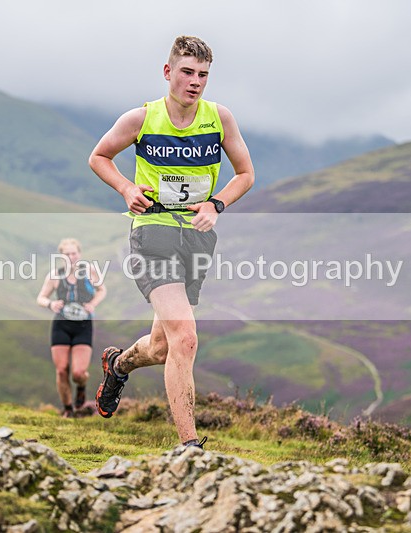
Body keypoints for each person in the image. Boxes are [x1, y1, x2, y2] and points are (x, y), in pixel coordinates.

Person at [89, 36, 254, 448]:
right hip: (152, 233)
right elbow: (99, 156)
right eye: (187, 72)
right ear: (168, 73)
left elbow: (245, 174)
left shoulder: (219, 119)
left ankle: (119, 364)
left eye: (203, 75)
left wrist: (216, 203)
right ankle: (189, 447)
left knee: (163, 347)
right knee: (186, 337)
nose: (195, 82)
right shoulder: (141, 119)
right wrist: (127, 189)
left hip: (196, 238)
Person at [37, 238, 107, 418]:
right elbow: (41, 297)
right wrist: (50, 304)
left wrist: (93, 304)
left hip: (83, 325)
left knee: (77, 372)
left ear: (79, 254)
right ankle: (68, 409)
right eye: (66, 254)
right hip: (61, 325)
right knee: (61, 370)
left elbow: (102, 290)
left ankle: (82, 386)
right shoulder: (55, 275)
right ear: (61, 256)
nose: (71, 257)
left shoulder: (89, 271)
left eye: (73, 253)